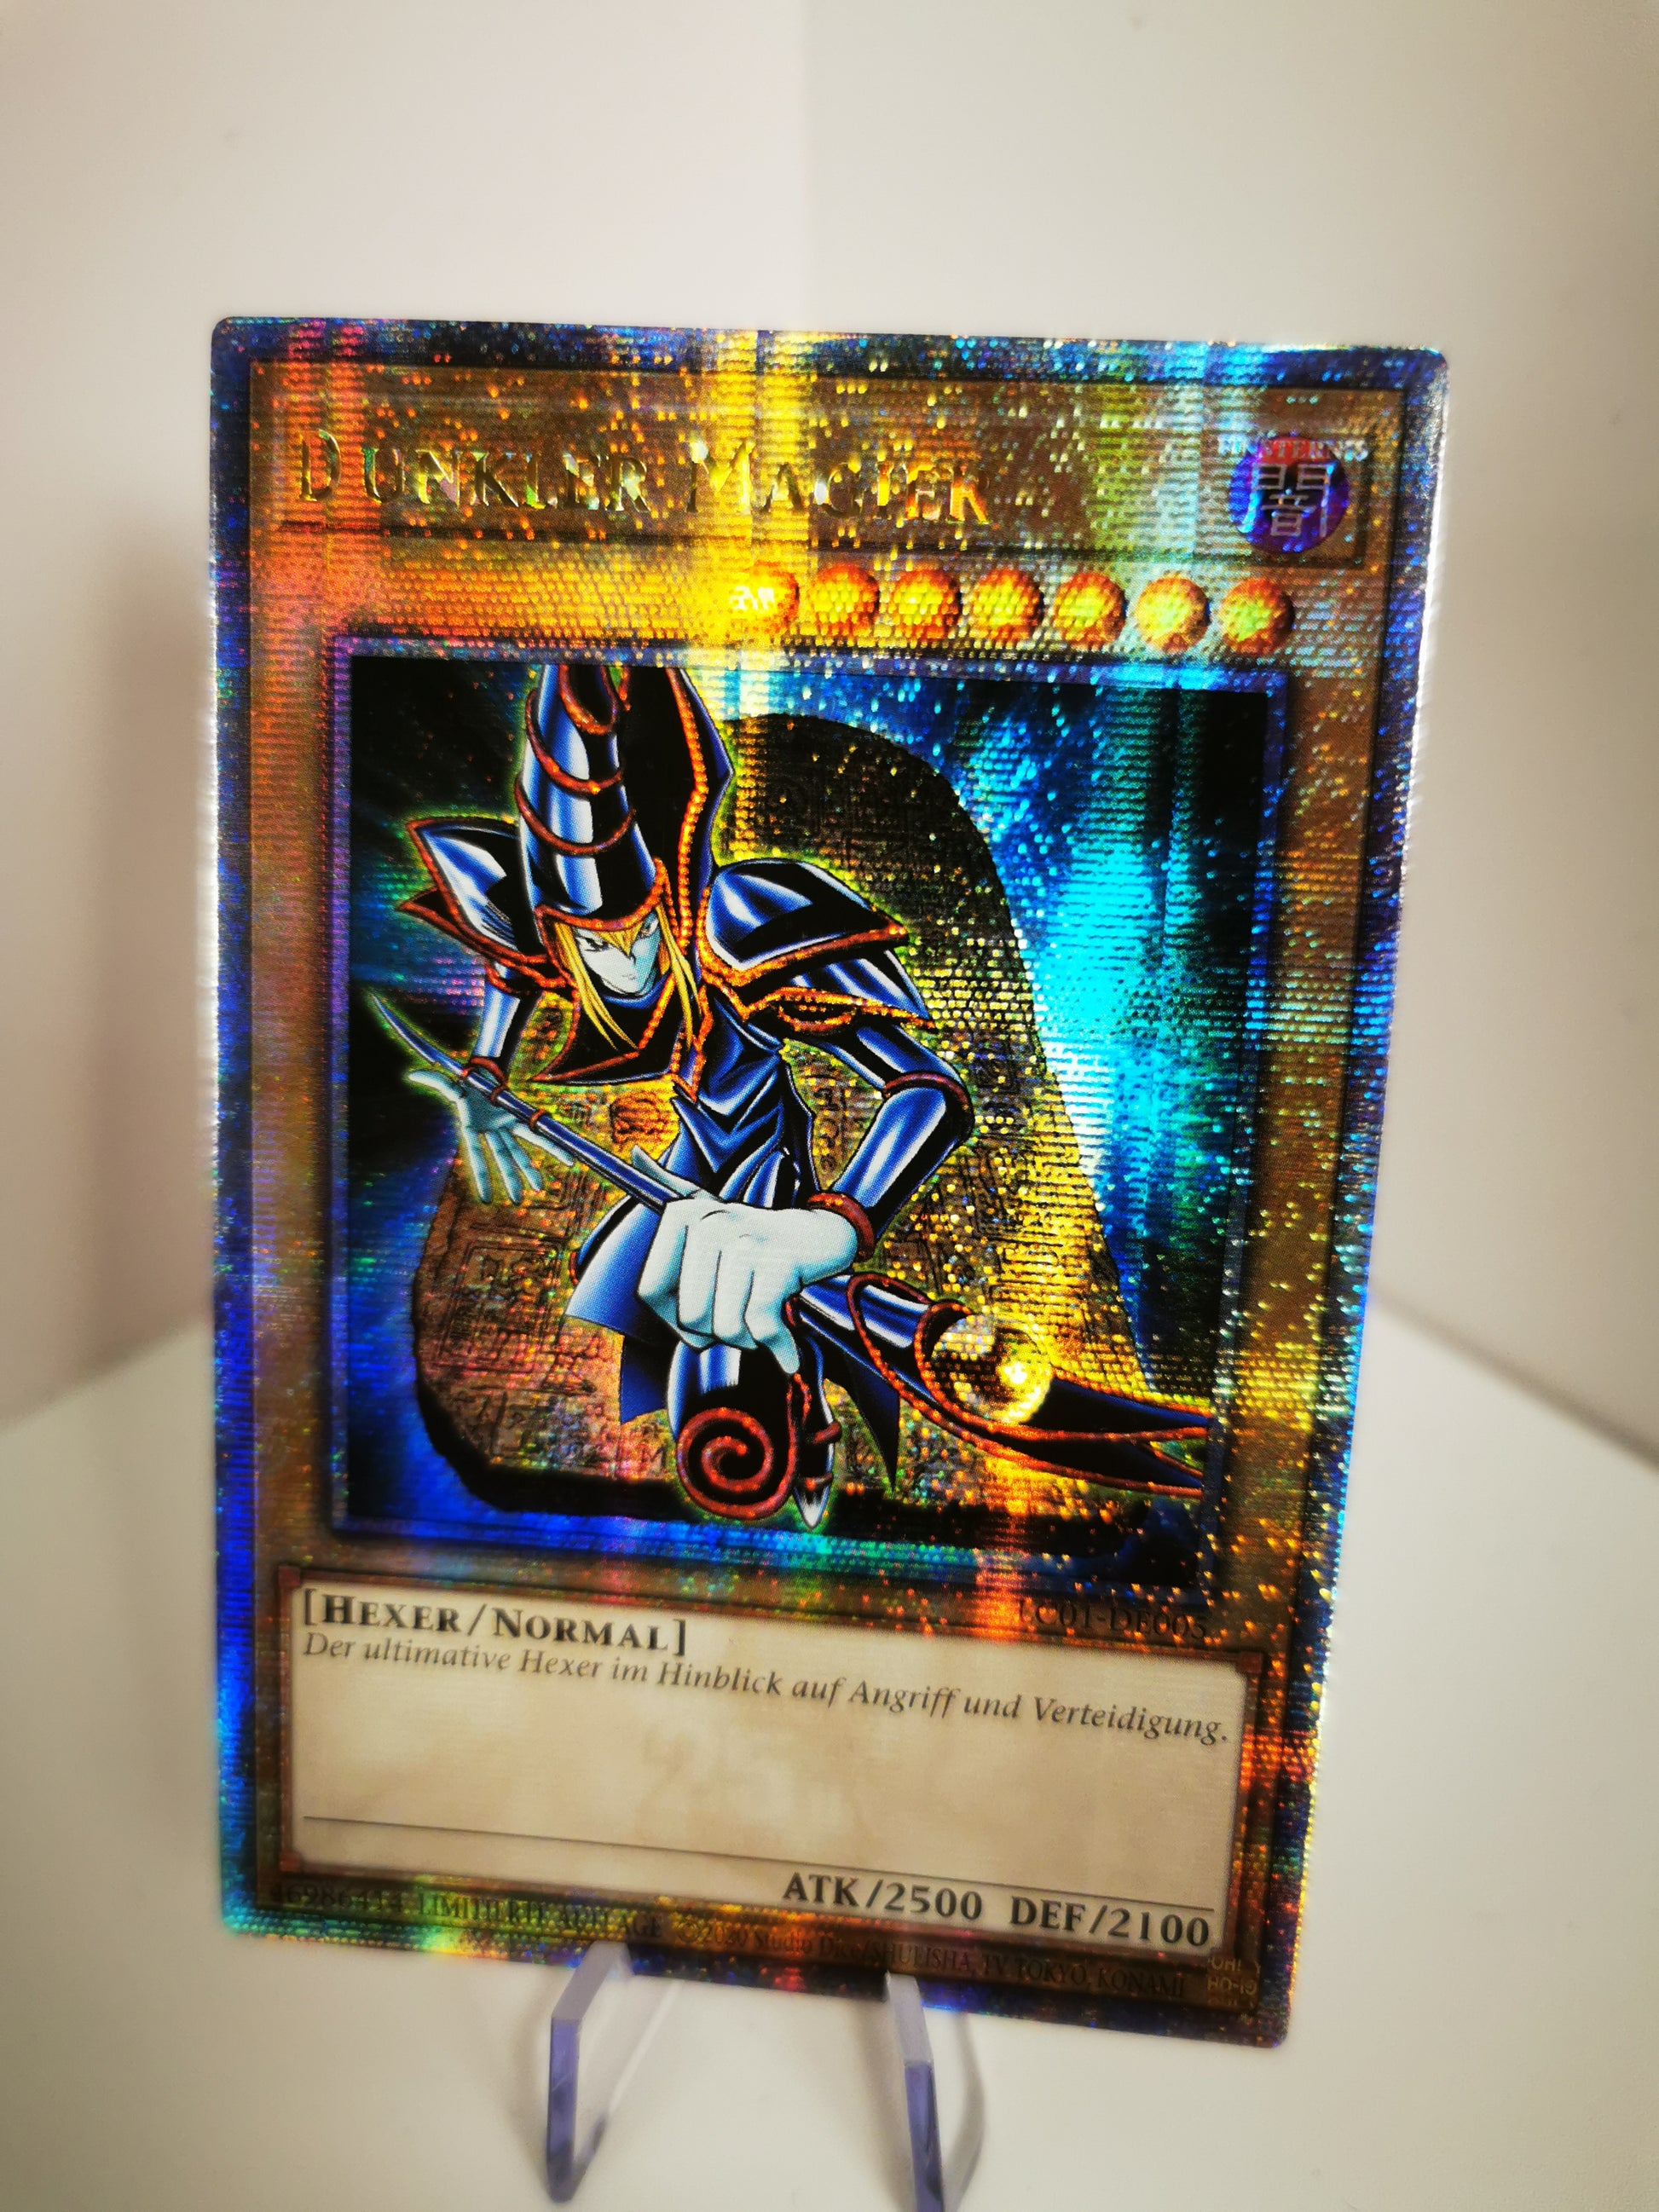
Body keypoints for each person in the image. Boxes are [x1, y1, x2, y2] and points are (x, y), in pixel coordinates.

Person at [396, 660, 972, 1526]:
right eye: (593, 947)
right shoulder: (550, 940)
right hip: (689, 1153)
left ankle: (807, 1428)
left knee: (746, 1314)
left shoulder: (735, 925)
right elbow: (513, 965)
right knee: (644, 1287)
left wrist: (831, 1225)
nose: (626, 965)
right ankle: (771, 1431)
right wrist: (484, 1071)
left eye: (639, 933)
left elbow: (927, 1089)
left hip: (764, 1150)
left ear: (670, 892)